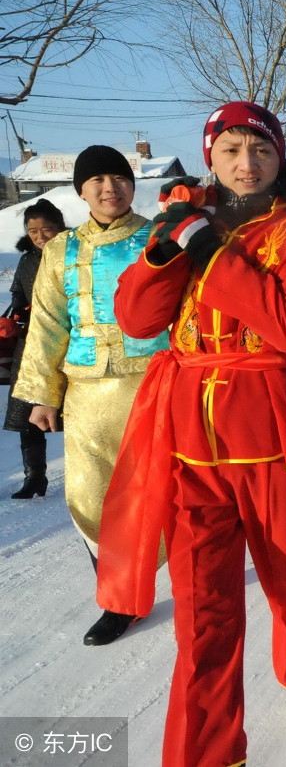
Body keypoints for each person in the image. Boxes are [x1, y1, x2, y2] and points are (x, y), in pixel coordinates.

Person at [96, 102, 286, 762]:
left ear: (278, 157)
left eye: (260, 150)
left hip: (272, 434)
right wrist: (160, 250)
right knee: (202, 608)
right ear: (210, 156)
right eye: (230, 150)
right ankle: (207, 752)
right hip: (190, 445)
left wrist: (205, 246)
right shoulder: (186, 221)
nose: (246, 163)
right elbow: (138, 321)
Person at [12, 147, 167, 644]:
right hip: (87, 395)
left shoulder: (160, 237)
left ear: (132, 185)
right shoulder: (60, 249)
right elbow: (47, 324)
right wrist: (42, 395)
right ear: (80, 191)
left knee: (168, 495)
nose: (109, 188)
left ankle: (191, 578)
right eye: (97, 180)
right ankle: (119, 600)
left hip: (157, 385)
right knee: (91, 498)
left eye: (119, 178)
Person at [6, 199, 67, 499]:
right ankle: (34, 477)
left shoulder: (74, 253)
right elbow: (18, 293)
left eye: (47, 229)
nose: (40, 236)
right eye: (33, 231)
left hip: (69, 342)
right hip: (30, 345)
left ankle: (86, 476)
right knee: (27, 411)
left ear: (61, 228)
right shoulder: (27, 260)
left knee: (76, 413)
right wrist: (18, 312)